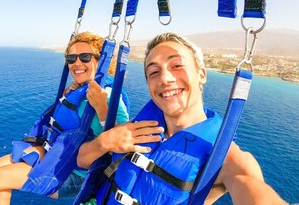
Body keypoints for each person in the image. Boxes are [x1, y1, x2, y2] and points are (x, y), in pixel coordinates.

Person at [0, 31, 129, 205]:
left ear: (100, 61)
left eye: (85, 57)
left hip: (76, 176)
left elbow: (124, 144)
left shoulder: (108, 95)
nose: (76, 63)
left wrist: (102, 108)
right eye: (71, 58)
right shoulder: (80, 89)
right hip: (59, 156)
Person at [77, 32, 287, 205]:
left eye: (177, 66)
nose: (165, 79)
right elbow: (81, 160)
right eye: (154, 72)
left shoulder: (226, 158)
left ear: (201, 74)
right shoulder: (137, 129)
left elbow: (252, 188)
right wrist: (104, 141)